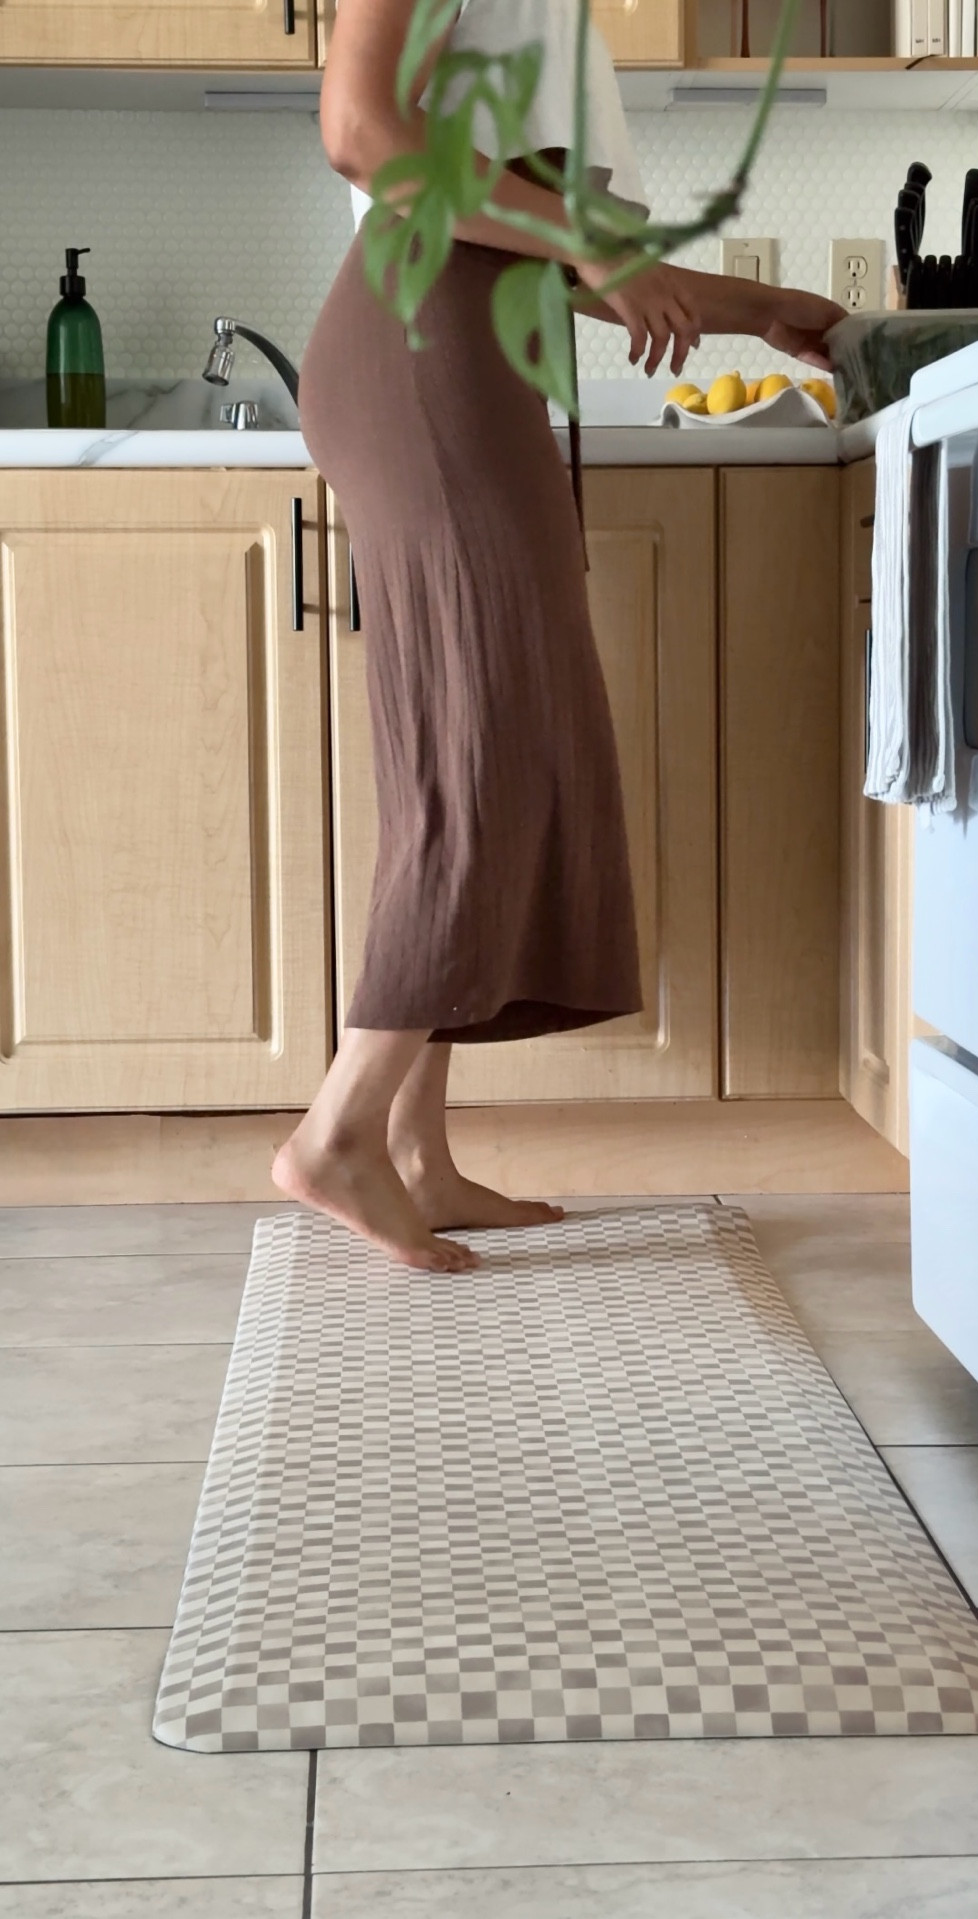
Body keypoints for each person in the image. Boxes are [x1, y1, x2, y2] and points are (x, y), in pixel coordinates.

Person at [273, 0, 844, 1273]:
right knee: (489, 745)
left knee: (476, 753)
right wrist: (595, 237)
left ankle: (416, 1149)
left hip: (466, 354)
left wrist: (763, 310)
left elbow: (555, 258)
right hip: (422, 354)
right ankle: (337, 1132)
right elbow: (362, 129)